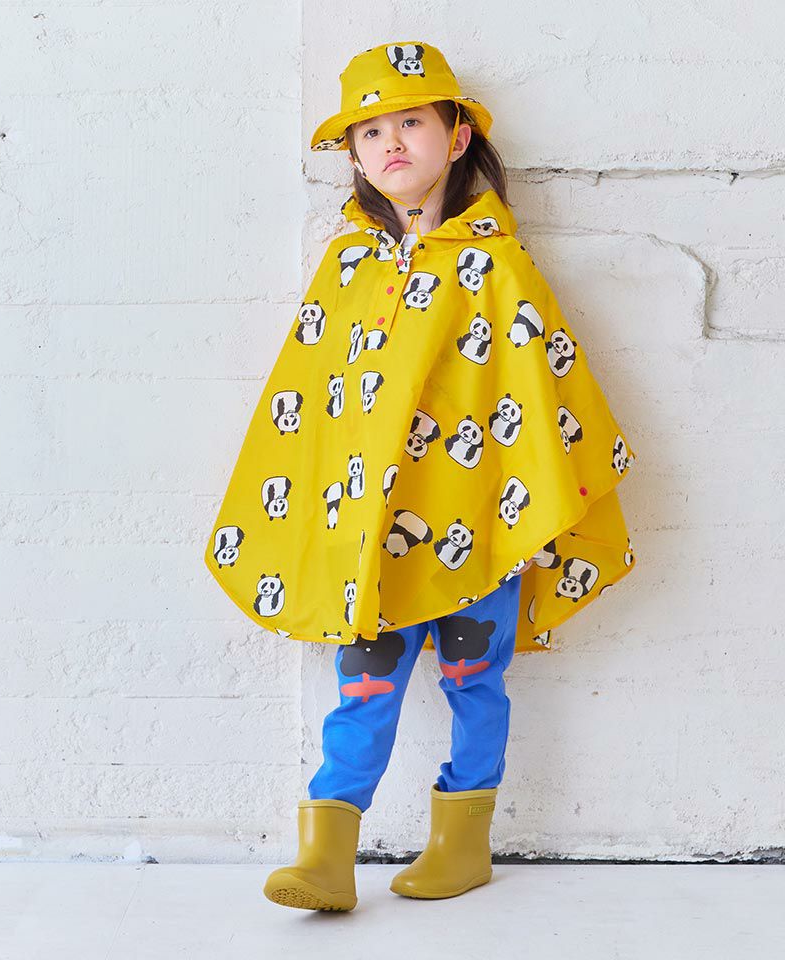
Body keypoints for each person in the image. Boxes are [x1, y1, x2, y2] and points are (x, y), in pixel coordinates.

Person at [204, 40, 638, 912]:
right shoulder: (347, 268)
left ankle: (461, 845)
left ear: (458, 136)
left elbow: (536, 386)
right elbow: (315, 407)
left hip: (482, 522)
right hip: (376, 533)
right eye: (370, 132)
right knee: (362, 685)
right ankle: (327, 855)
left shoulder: (497, 265)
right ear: (354, 156)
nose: (391, 142)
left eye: (410, 122)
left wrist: (532, 506)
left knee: (476, 681)